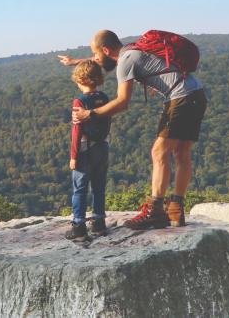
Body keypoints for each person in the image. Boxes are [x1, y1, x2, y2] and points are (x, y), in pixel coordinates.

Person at [71, 30, 207, 229]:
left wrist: (90, 114)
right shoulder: (134, 49)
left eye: (96, 55)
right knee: (182, 153)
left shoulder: (126, 61)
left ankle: (155, 212)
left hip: (180, 98)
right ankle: (176, 209)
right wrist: (76, 61)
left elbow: (122, 102)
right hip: (197, 94)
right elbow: (101, 59)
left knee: (159, 152)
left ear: (106, 50)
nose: (96, 60)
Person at [65, 60, 111, 241]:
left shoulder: (80, 101)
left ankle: (79, 228)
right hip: (103, 147)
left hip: (85, 150)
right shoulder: (104, 98)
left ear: (80, 79)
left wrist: (73, 156)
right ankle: (99, 224)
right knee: (99, 187)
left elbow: (77, 130)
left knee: (80, 189)